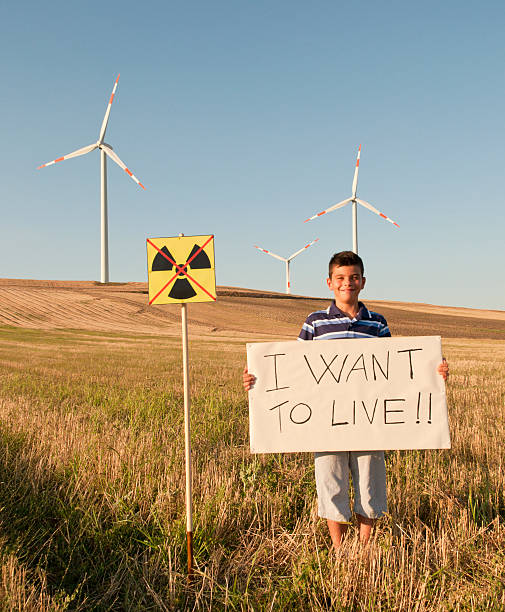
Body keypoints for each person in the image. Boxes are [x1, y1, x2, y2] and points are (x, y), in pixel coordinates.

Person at [243, 250, 449, 550]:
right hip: (325, 420)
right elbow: (292, 367)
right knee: (330, 479)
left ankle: (364, 546)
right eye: (340, 278)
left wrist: (435, 370)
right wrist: (257, 378)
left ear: (363, 282)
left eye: (353, 278)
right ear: (329, 282)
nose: (347, 283)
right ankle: (339, 547)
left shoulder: (376, 323)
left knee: (370, 481)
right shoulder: (315, 323)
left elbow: (398, 369)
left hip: (370, 419)